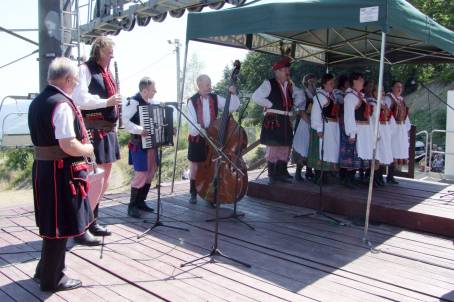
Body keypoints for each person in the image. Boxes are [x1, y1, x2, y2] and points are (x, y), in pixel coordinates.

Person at [29, 57, 94, 291]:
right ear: (67, 79)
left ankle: (43, 271)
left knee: (52, 222)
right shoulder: (61, 104)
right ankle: (52, 278)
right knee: (59, 225)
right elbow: (68, 144)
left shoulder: (38, 101)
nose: (76, 84)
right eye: (75, 80)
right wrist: (87, 149)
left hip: (44, 170)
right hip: (60, 172)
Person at [73, 36, 122, 245]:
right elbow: (80, 99)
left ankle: (92, 221)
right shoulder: (85, 70)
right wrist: (107, 102)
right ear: (99, 50)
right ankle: (82, 227)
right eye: (109, 50)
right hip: (94, 131)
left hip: (108, 131)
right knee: (94, 179)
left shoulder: (106, 72)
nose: (112, 54)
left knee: (104, 179)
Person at [187, 74, 240, 204]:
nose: (210, 87)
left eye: (210, 84)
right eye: (207, 85)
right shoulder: (191, 101)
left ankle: (209, 193)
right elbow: (192, 123)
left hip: (214, 137)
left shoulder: (215, 98)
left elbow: (231, 107)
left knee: (213, 166)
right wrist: (203, 131)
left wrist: (232, 94)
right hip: (198, 136)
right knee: (195, 166)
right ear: (199, 85)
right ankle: (193, 192)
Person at [252, 57, 304, 184]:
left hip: (285, 118)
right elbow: (256, 97)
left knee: (285, 146)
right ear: (278, 71)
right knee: (274, 146)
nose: (288, 71)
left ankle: (281, 172)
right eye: (286, 69)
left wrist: (295, 105)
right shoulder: (269, 83)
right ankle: (272, 174)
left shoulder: (289, 84)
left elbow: (300, 94)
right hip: (274, 117)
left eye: (288, 69)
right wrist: (270, 104)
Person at [122, 77, 158, 218]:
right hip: (139, 143)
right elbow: (124, 121)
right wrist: (139, 129)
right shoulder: (134, 102)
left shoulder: (152, 103)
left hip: (151, 143)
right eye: (153, 89)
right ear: (144, 90)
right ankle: (132, 206)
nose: (155, 91)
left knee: (151, 170)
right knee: (141, 173)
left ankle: (141, 201)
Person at [340, 72, 374, 188]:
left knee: (358, 155)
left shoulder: (359, 96)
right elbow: (349, 116)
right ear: (354, 81)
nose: (362, 82)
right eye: (361, 80)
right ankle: (348, 180)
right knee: (353, 155)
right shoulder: (350, 96)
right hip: (356, 129)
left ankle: (352, 179)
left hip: (363, 130)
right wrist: (351, 133)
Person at [307, 73, 340, 184]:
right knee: (320, 153)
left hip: (331, 128)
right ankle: (319, 178)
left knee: (328, 152)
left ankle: (324, 177)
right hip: (322, 128)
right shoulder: (320, 96)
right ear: (324, 84)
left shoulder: (330, 95)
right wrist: (319, 129)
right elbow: (316, 113)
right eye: (330, 83)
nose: (332, 85)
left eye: (333, 83)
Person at [384, 80, 411, 184]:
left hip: (400, 129)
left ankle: (390, 176)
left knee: (396, 151)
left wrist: (406, 127)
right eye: (397, 87)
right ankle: (383, 175)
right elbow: (386, 113)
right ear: (392, 87)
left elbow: (405, 115)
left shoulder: (400, 100)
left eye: (401, 87)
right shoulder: (388, 98)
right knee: (390, 151)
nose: (399, 89)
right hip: (392, 129)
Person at [292, 74, 316, 181]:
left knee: (310, 147)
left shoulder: (315, 94)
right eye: (311, 81)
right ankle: (298, 173)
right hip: (305, 122)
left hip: (314, 122)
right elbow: (300, 111)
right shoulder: (302, 93)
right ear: (307, 81)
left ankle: (309, 171)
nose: (314, 82)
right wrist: (310, 122)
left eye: (314, 81)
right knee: (302, 146)